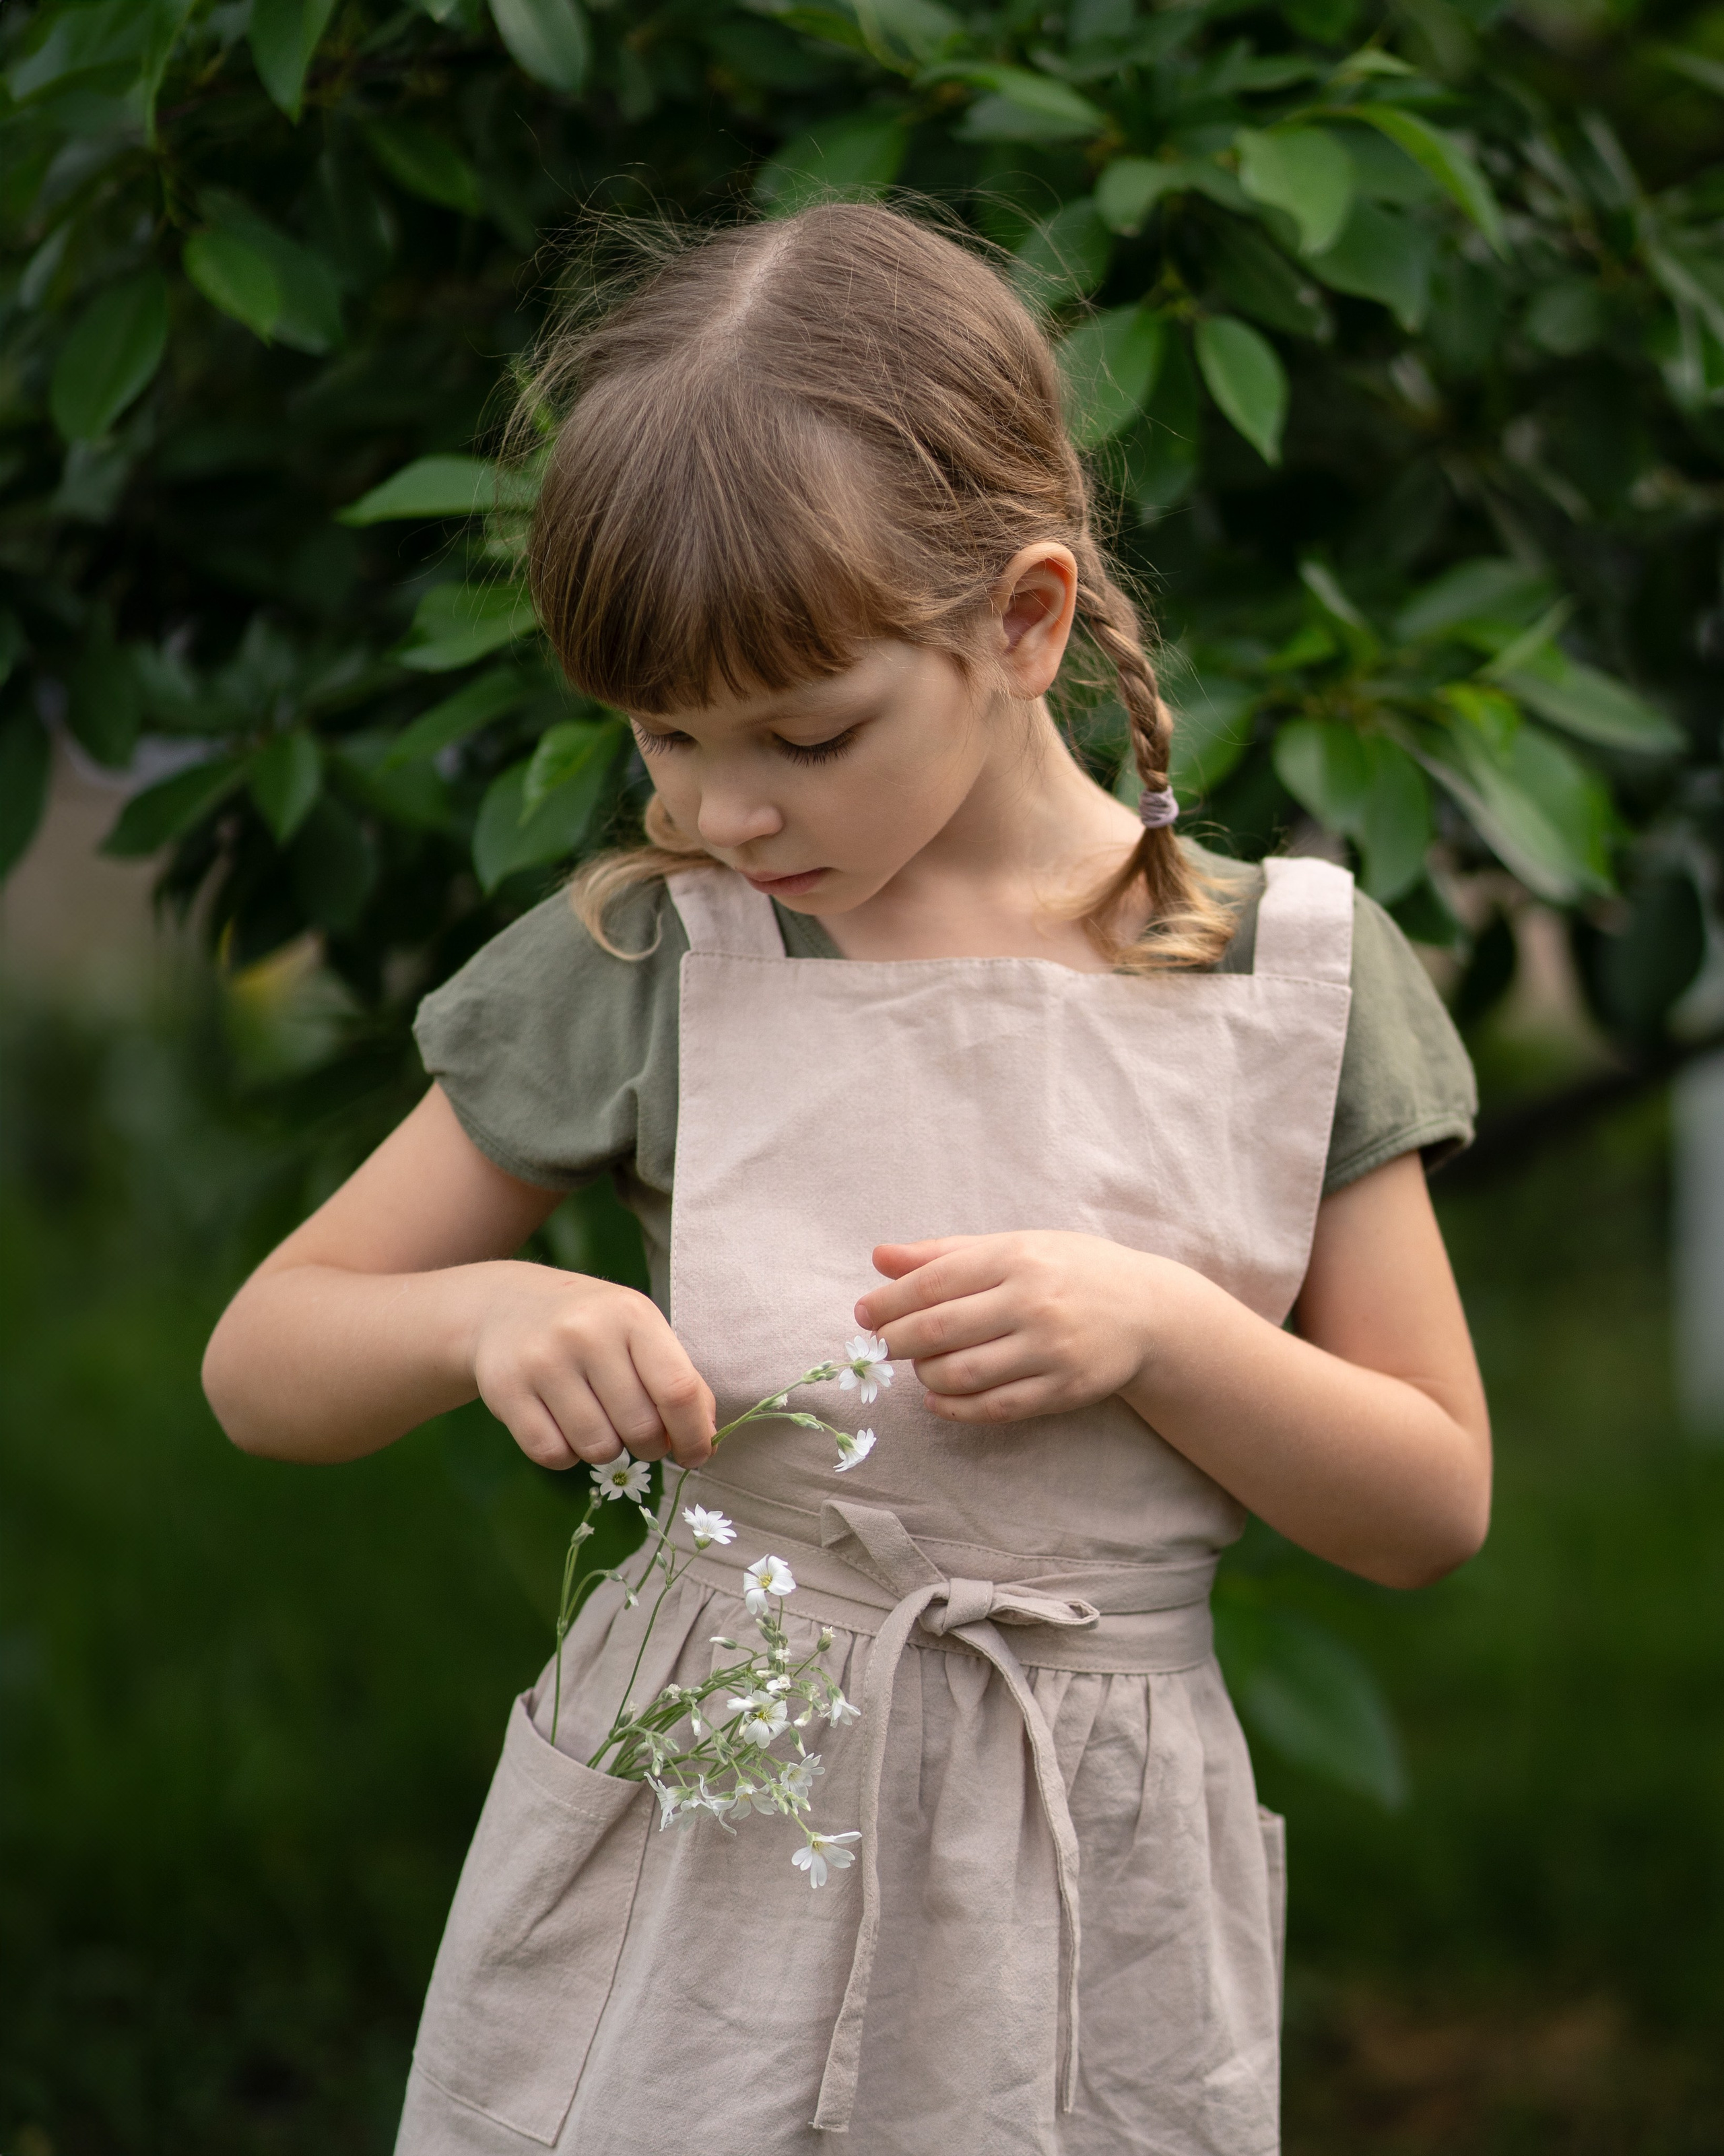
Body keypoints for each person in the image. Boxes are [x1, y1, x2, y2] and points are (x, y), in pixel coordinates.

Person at [202, 202, 1490, 2156]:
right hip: (704, 1831)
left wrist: (1162, 1331)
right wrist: (491, 1313)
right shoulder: (660, 956)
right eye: (661, 733)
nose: (720, 810)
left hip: (1090, 1879)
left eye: (803, 735)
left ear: (1023, 623)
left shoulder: (1287, 981)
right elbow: (263, 1357)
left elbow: (1429, 1499)